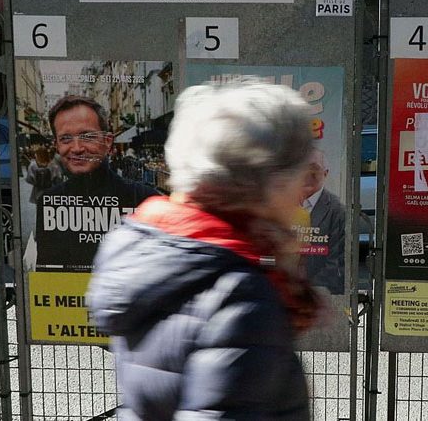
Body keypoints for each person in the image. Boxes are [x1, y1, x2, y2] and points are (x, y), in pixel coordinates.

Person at [87, 81, 322, 420]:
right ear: (267, 181)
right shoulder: (238, 294)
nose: (303, 188)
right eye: (300, 171)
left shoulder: (161, 252)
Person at [33, 95, 157, 270]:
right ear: (57, 146)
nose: (76, 148)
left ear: (107, 142)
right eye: (66, 138)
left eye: (87, 136)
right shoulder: (49, 203)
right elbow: (48, 274)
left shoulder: (146, 201)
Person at [298, 148, 345, 294]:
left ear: (325, 173)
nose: (307, 174)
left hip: (317, 295)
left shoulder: (337, 210)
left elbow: (335, 264)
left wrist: (303, 292)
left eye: (314, 169)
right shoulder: (284, 204)